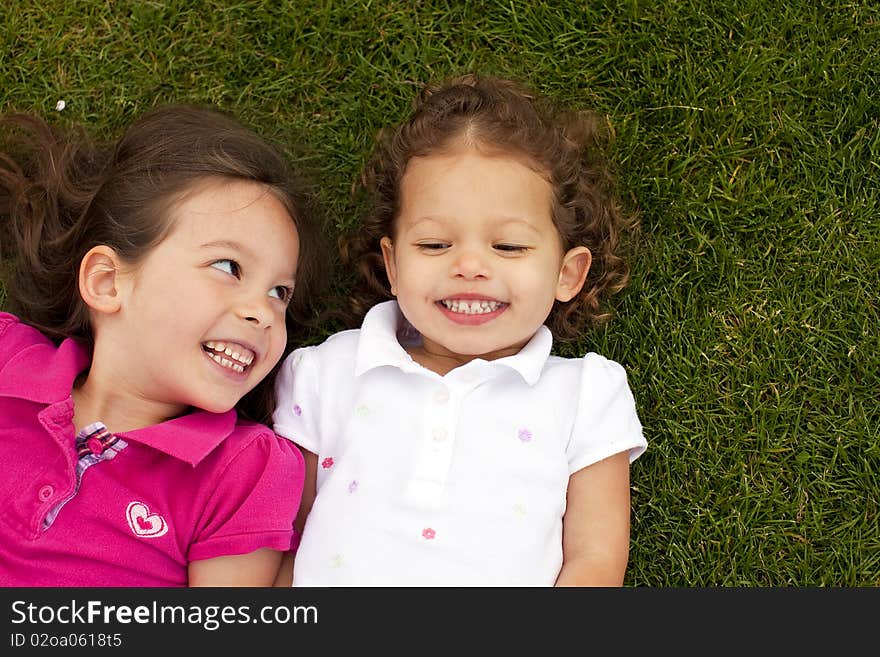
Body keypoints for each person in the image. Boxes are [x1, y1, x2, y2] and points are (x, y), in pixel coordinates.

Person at [272, 74, 647, 587]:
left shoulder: (585, 395)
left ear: (567, 273)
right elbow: (281, 540)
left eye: (509, 247)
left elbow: (596, 558)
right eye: (434, 245)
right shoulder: (326, 372)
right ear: (394, 264)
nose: (470, 266)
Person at [0, 103, 325, 586]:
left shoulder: (243, 469)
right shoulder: (9, 357)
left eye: (281, 293)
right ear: (109, 282)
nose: (263, 311)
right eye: (228, 267)